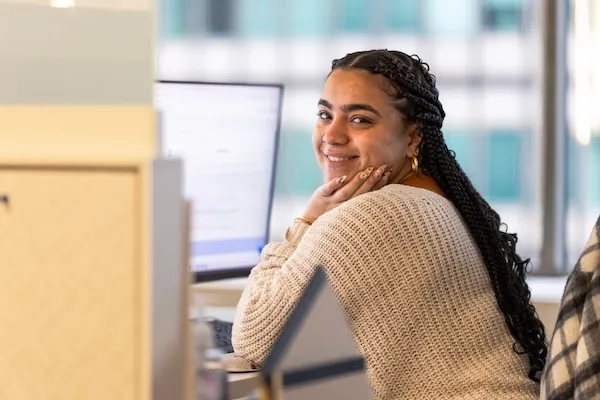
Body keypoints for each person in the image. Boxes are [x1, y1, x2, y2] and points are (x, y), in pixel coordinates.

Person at [232, 49, 547, 399]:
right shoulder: (434, 198)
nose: (332, 136)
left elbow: (255, 336)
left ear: (413, 138)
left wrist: (306, 221)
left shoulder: (373, 215)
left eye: (360, 120)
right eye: (325, 114)